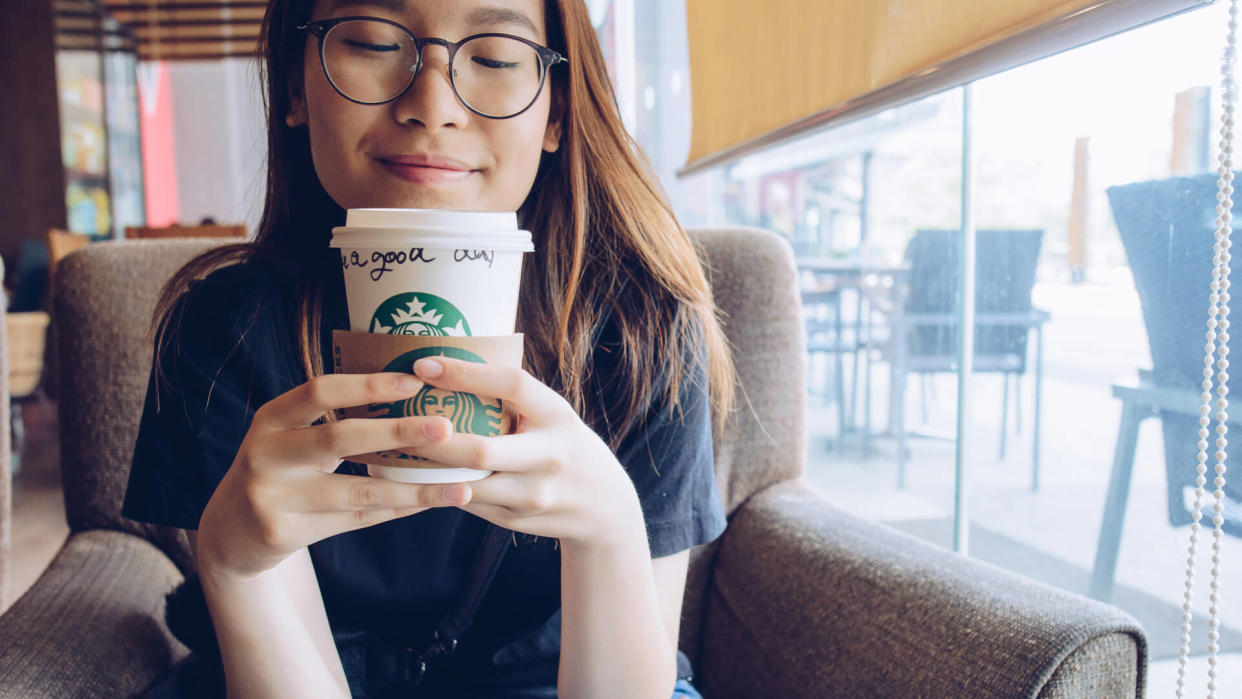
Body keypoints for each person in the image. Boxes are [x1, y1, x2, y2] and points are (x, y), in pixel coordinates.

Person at [121, 0, 736, 697]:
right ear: (296, 85)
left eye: (497, 56)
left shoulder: (644, 331)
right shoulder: (218, 330)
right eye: (373, 43)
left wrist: (611, 529)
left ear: (557, 112)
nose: (433, 105)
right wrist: (236, 567)